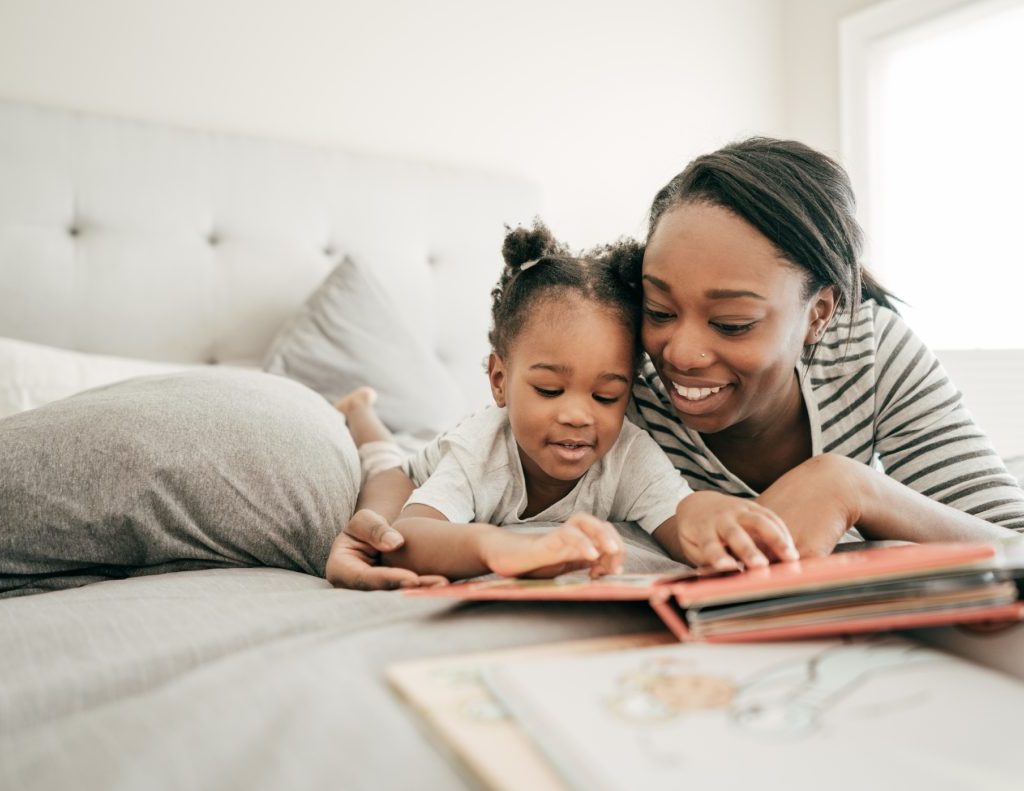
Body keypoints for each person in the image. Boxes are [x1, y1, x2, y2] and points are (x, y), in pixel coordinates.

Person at [332, 137, 1024, 589]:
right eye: (660, 310)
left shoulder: (872, 353)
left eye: (733, 322)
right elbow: (464, 468)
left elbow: (1011, 542)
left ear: (819, 314)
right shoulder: (615, 371)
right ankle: (360, 411)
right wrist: (375, 530)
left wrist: (855, 487)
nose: (679, 356)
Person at [326, 222, 797, 589]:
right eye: (550, 390)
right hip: (417, 470)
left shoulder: (628, 455)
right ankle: (360, 410)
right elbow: (412, 536)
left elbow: (679, 517)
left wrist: (714, 517)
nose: (577, 415)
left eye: (606, 396)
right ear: (499, 381)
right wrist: (500, 547)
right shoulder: (479, 450)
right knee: (384, 469)